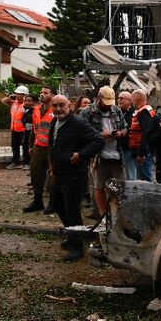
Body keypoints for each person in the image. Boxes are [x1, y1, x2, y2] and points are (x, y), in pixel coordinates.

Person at [48, 95, 104, 261]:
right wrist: (51, 165)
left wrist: (81, 155)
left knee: (72, 211)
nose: (58, 108)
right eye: (55, 105)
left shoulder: (78, 123)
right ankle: (74, 235)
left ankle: (77, 248)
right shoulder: (55, 122)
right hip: (58, 173)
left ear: (69, 105)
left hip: (74, 174)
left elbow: (98, 140)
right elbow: (53, 144)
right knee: (57, 205)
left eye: (61, 105)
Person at [80, 87, 127, 216]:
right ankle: (102, 215)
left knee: (120, 187)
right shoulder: (87, 112)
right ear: (99, 99)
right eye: (106, 102)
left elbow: (124, 128)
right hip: (98, 156)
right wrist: (101, 135)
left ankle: (117, 213)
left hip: (116, 155)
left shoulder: (115, 109)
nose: (108, 106)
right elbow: (82, 134)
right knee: (99, 186)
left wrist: (119, 133)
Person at [24, 87, 55, 212]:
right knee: (35, 174)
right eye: (41, 92)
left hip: (52, 148)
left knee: (54, 176)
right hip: (38, 147)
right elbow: (34, 129)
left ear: (52, 95)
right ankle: (37, 201)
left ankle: (53, 203)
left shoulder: (56, 109)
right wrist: (31, 145)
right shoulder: (36, 109)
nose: (42, 94)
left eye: (46, 92)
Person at [128, 89, 155, 181]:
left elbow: (146, 133)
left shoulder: (144, 112)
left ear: (136, 98)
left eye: (132, 98)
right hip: (142, 151)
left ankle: (147, 195)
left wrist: (142, 153)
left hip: (143, 153)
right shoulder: (142, 111)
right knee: (141, 178)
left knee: (144, 180)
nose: (131, 101)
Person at [1, 85, 30, 169]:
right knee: (14, 147)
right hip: (14, 129)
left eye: (18, 94)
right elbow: (3, 101)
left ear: (24, 95)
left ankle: (27, 163)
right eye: (16, 93)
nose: (16, 95)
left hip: (23, 130)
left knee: (25, 148)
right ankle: (15, 162)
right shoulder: (14, 102)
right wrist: (10, 96)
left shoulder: (27, 104)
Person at [117, 91, 135, 180]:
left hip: (128, 147)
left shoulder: (134, 114)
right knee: (117, 173)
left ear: (130, 101)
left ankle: (132, 192)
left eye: (122, 98)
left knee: (130, 173)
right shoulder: (115, 112)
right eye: (118, 98)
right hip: (115, 147)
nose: (119, 100)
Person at [20, 93, 36, 170]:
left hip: (32, 134)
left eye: (29, 101)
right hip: (26, 132)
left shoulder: (35, 112)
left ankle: (30, 164)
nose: (26, 102)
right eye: (25, 101)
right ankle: (26, 163)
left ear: (34, 102)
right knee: (25, 147)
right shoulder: (27, 111)